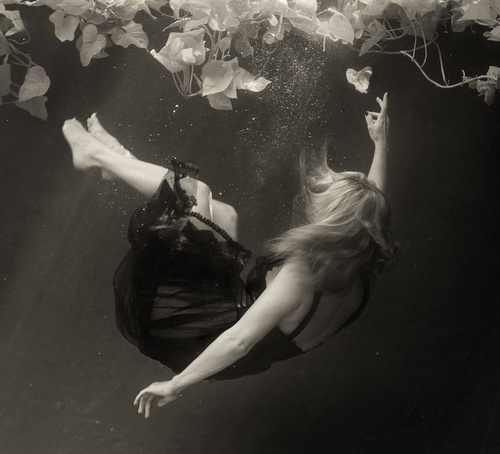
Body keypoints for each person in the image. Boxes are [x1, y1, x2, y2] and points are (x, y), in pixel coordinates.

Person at [62, 93, 396, 419]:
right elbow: (370, 208)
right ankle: (121, 164)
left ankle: (95, 155)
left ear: (335, 221)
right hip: (234, 332)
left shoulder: (302, 275)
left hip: (201, 334)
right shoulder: (360, 262)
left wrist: (177, 384)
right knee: (224, 215)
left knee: (195, 193)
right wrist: (381, 143)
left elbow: (239, 341)